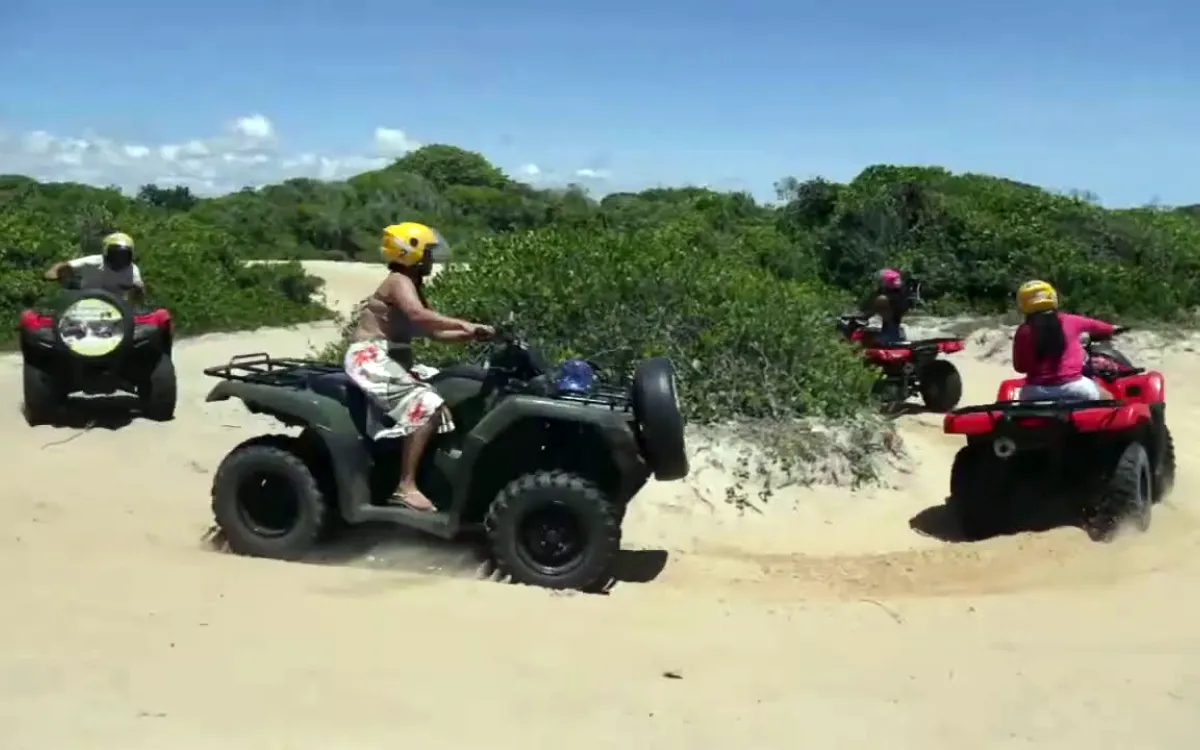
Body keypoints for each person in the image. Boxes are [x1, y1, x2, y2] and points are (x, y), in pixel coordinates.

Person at [343, 222, 494, 513]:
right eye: (427, 253)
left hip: (393, 357)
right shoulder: (398, 281)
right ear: (409, 253)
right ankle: (406, 486)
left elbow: (434, 332)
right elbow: (417, 315)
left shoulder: (412, 286)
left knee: (448, 383)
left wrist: (472, 335)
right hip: (369, 356)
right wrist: (464, 323)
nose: (431, 260)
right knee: (426, 406)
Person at [1012, 279, 1116, 401]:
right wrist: (1114, 329)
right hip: (1074, 386)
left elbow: (1020, 367)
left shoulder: (1023, 331)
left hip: (1034, 391)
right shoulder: (1071, 320)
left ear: (1022, 303)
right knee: (1110, 399)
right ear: (1053, 297)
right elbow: (1105, 328)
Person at [44, 232, 147, 303]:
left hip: (115, 307)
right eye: (116, 254)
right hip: (85, 303)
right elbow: (65, 265)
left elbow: (139, 290)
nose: (119, 259)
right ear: (106, 252)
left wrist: (138, 291)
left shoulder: (132, 270)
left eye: (123, 255)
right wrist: (53, 273)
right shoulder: (92, 262)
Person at [861, 268, 910, 345]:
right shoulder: (895, 287)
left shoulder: (892, 291)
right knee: (890, 322)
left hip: (896, 308)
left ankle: (891, 338)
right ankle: (891, 336)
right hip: (896, 309)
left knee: (891, 321)